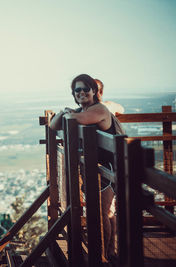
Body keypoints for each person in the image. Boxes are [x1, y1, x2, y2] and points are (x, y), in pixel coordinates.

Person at [49, 73, 122, 261]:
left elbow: (77, 120)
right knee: (107, 212)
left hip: (105, 169)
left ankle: (102, 257)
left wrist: (68, 114)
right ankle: (110, 251)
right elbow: (53, 125)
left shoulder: (98, 109)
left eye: (85, 89)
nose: (81, 92)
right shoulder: (84, 109)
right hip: (100, 168)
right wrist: (63, 112)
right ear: (73, 93)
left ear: (94, 91)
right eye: (77, 90)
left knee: (100, 213)